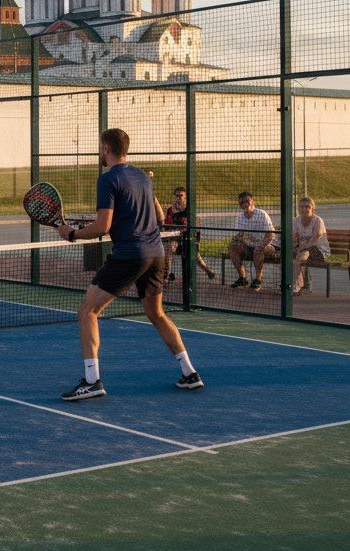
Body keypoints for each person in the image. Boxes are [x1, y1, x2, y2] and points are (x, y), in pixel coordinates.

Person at [56, 128, 203, 400]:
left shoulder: (107, 179)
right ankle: (189, 372)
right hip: (157, 255)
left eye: (100, 148)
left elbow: (103, 226)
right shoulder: (143, 178)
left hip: (129, 255)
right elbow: (158, 216)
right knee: (156, 313)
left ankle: (92, 381)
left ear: (105, 149)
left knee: (88, 310)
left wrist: (73, 234)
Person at [163, 186, 217, 283]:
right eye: (177, 196)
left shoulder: (189, 209)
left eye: (181, 196)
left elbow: (195, 227)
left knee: (194, 253)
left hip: (188, 239)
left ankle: (207, 270)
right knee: (168, 247)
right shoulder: (170, 210)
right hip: (174, 239)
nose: (179, 198)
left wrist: (195, 240)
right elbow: (167, 225)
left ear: (185, 197)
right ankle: (166, 275)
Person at [228, 192, 276, 291]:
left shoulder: (262, 214)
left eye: (247, 201)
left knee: (258, 250)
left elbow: (270, 235)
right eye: (241, 202)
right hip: (249, 245)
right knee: (232, 247)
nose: (244, 204)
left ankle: (258, 279)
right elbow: (240, 235)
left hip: (268, 246)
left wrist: (261, 246)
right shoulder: (240, 217)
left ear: (252, 201)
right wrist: (235, 241)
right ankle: (242, 278)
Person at [292, 196, 330, 295]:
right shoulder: (296, 220)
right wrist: (296, 245)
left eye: (307, 207)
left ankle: (297, 287)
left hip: (319, 250)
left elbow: (315, 239)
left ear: (312, 208)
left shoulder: (318, 220)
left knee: (300, 257)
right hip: (302, 248)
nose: (304, 209)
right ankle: (289, 284)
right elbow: (295, 237)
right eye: (301, 207)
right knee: (286, 256)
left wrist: (302, 246)